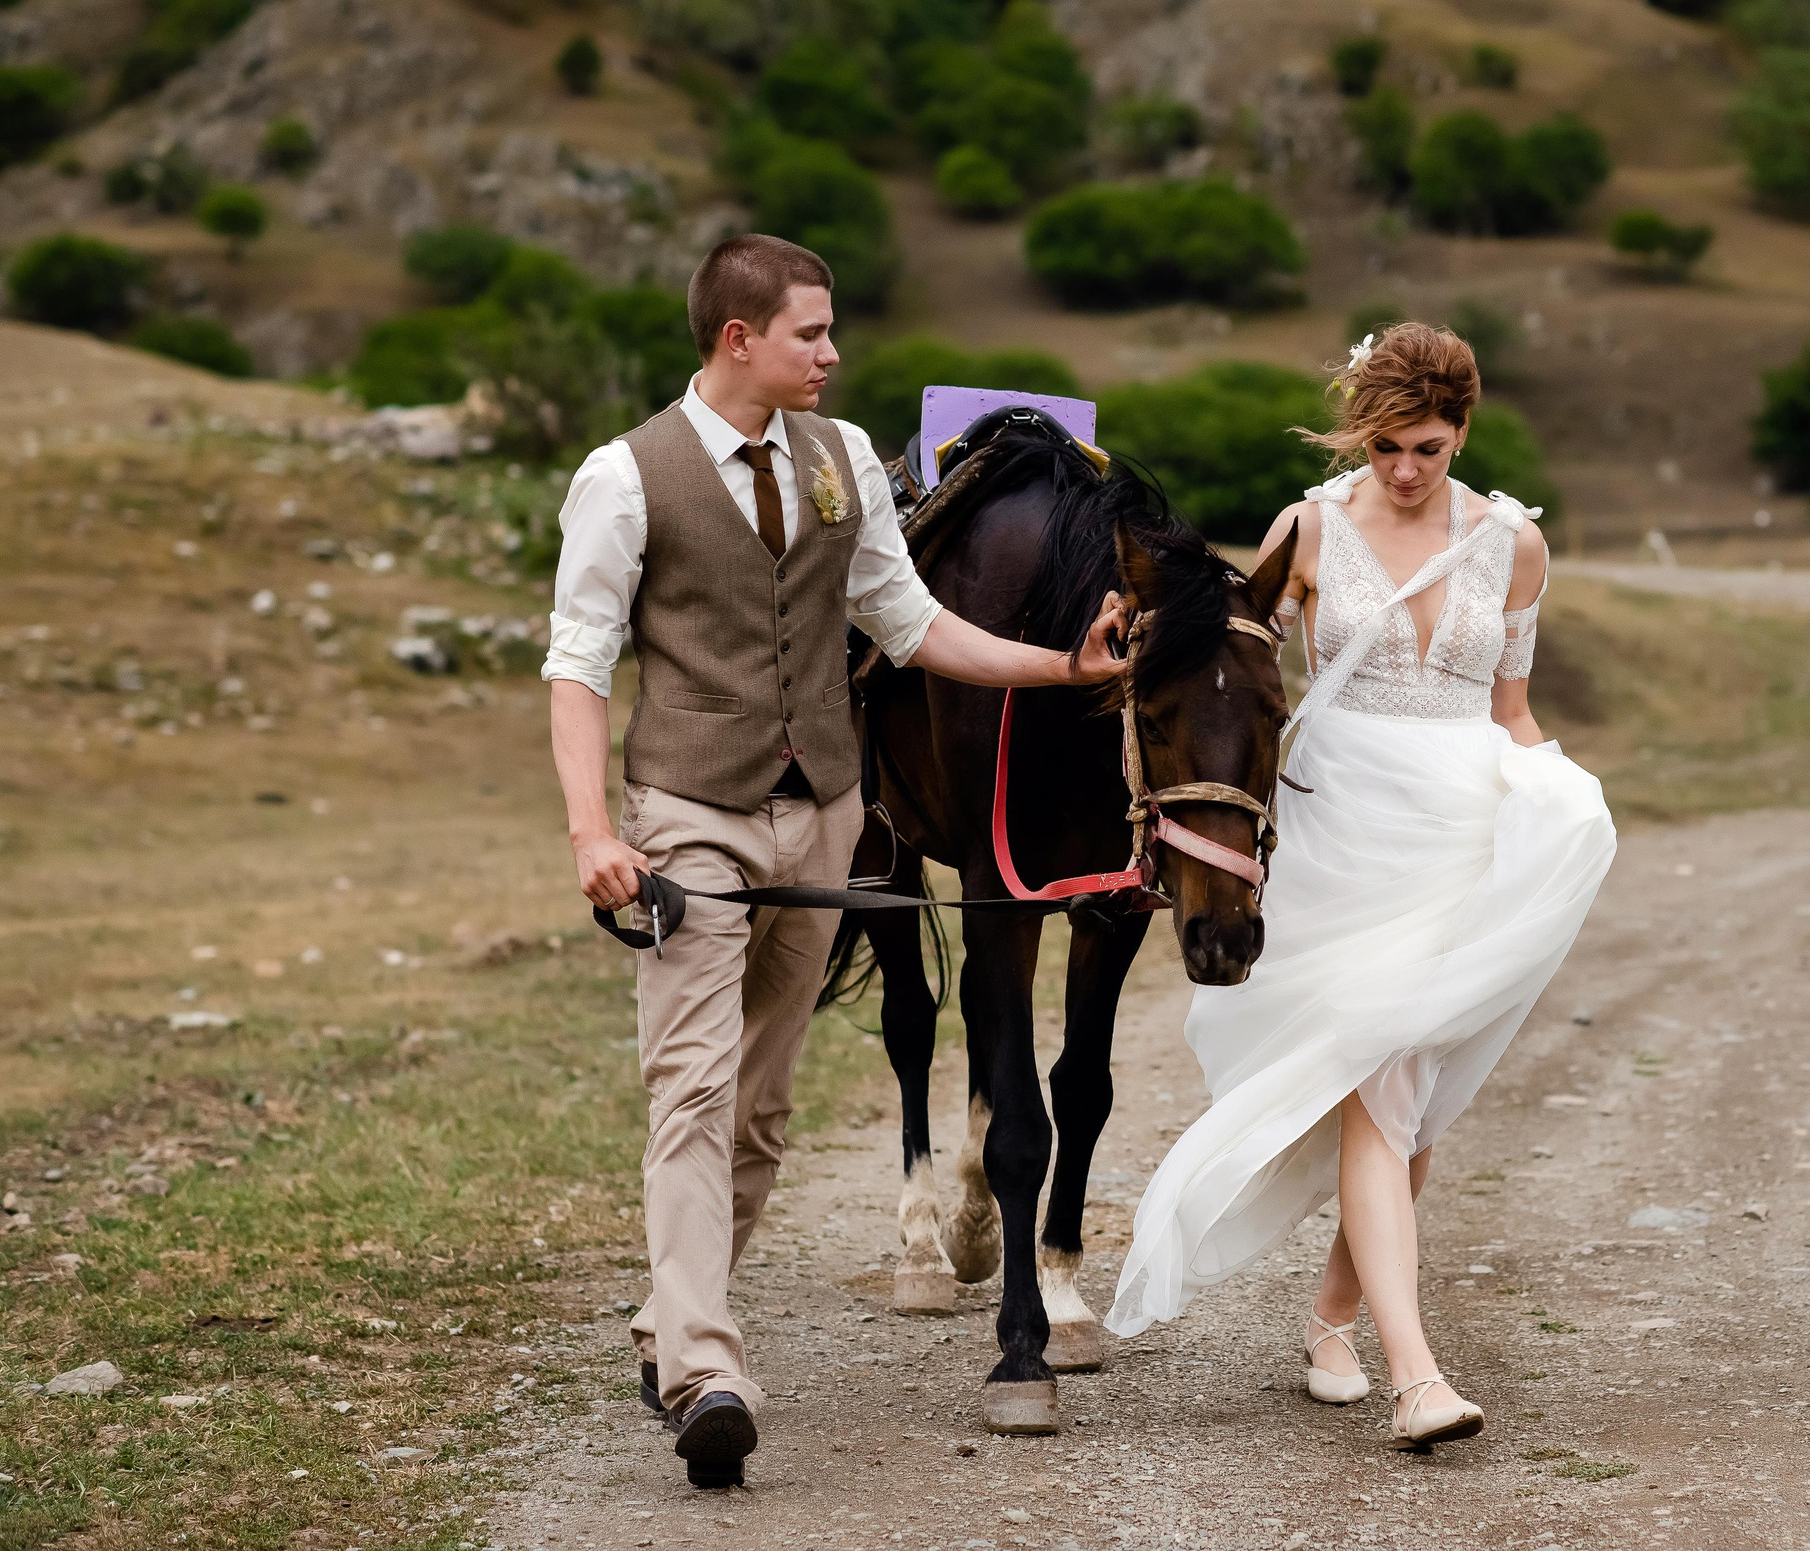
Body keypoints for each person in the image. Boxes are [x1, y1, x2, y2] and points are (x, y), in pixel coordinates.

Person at [542, 233, 1126, 1490]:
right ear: (738, 338)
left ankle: (667, 1323)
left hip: (823, 814)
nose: (834, 352)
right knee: (693, 1087)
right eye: (811, 332)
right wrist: (595, 831)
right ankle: (706, 1368)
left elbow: (908, 625)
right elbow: (579, 659)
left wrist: (1063, 667)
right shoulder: (624, 475)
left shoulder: (846, 456)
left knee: (758, 1106)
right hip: (686, 817)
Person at [1105, 323, 1617, 1449]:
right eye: (1384, 445)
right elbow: (1231, 660)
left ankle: (1332, 1318)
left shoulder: (1513, 545)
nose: (1402, 470)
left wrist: (1552, 804)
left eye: (1427, 447)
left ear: (1462, 432)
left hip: (1458, 831)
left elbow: (1509, 710)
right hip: (1343, 832)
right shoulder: (1308, 528)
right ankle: (1417, 1375)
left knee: (1415, 1098)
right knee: (1382, 1089)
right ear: (1359, 431)